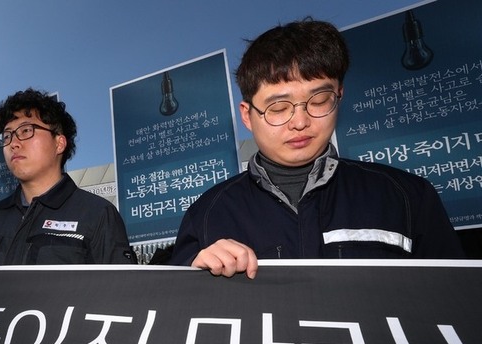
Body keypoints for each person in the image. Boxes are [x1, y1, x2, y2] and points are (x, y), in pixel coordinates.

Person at [171, 19, 465, 278]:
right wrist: (193, 279)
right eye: (278, 107)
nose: (300, 122)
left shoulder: (408, 196)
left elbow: (457, 308)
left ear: (339, 96)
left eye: (319, 100)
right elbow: (174, 315)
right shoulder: (207, 214)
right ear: (247, 115)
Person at [0, 88, 135, 273]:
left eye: (26, 130)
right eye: (7, 135)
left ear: (59, 143)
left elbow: (120, 292)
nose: (13, 143)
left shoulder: (97, 214)